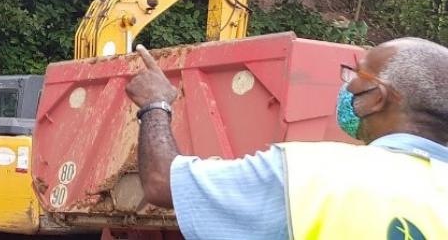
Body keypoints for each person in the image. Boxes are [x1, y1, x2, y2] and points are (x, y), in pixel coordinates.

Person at [125, 37, 448, 239]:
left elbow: (162, 182)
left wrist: (156, 102)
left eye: (356, 75)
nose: (347, 85)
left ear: (377, 98)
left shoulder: (310, 173)